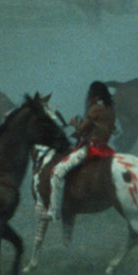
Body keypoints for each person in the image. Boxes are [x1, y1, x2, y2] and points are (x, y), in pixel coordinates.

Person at [46, 81, 118, 227]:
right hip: (106, 148)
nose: (88, 98)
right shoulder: (110, 109)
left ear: (95, 96)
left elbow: (81, 129)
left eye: (90, 95)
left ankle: (54, 212)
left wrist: (74, 123)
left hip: (90, 148)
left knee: (57, 173)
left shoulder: (95, 109)